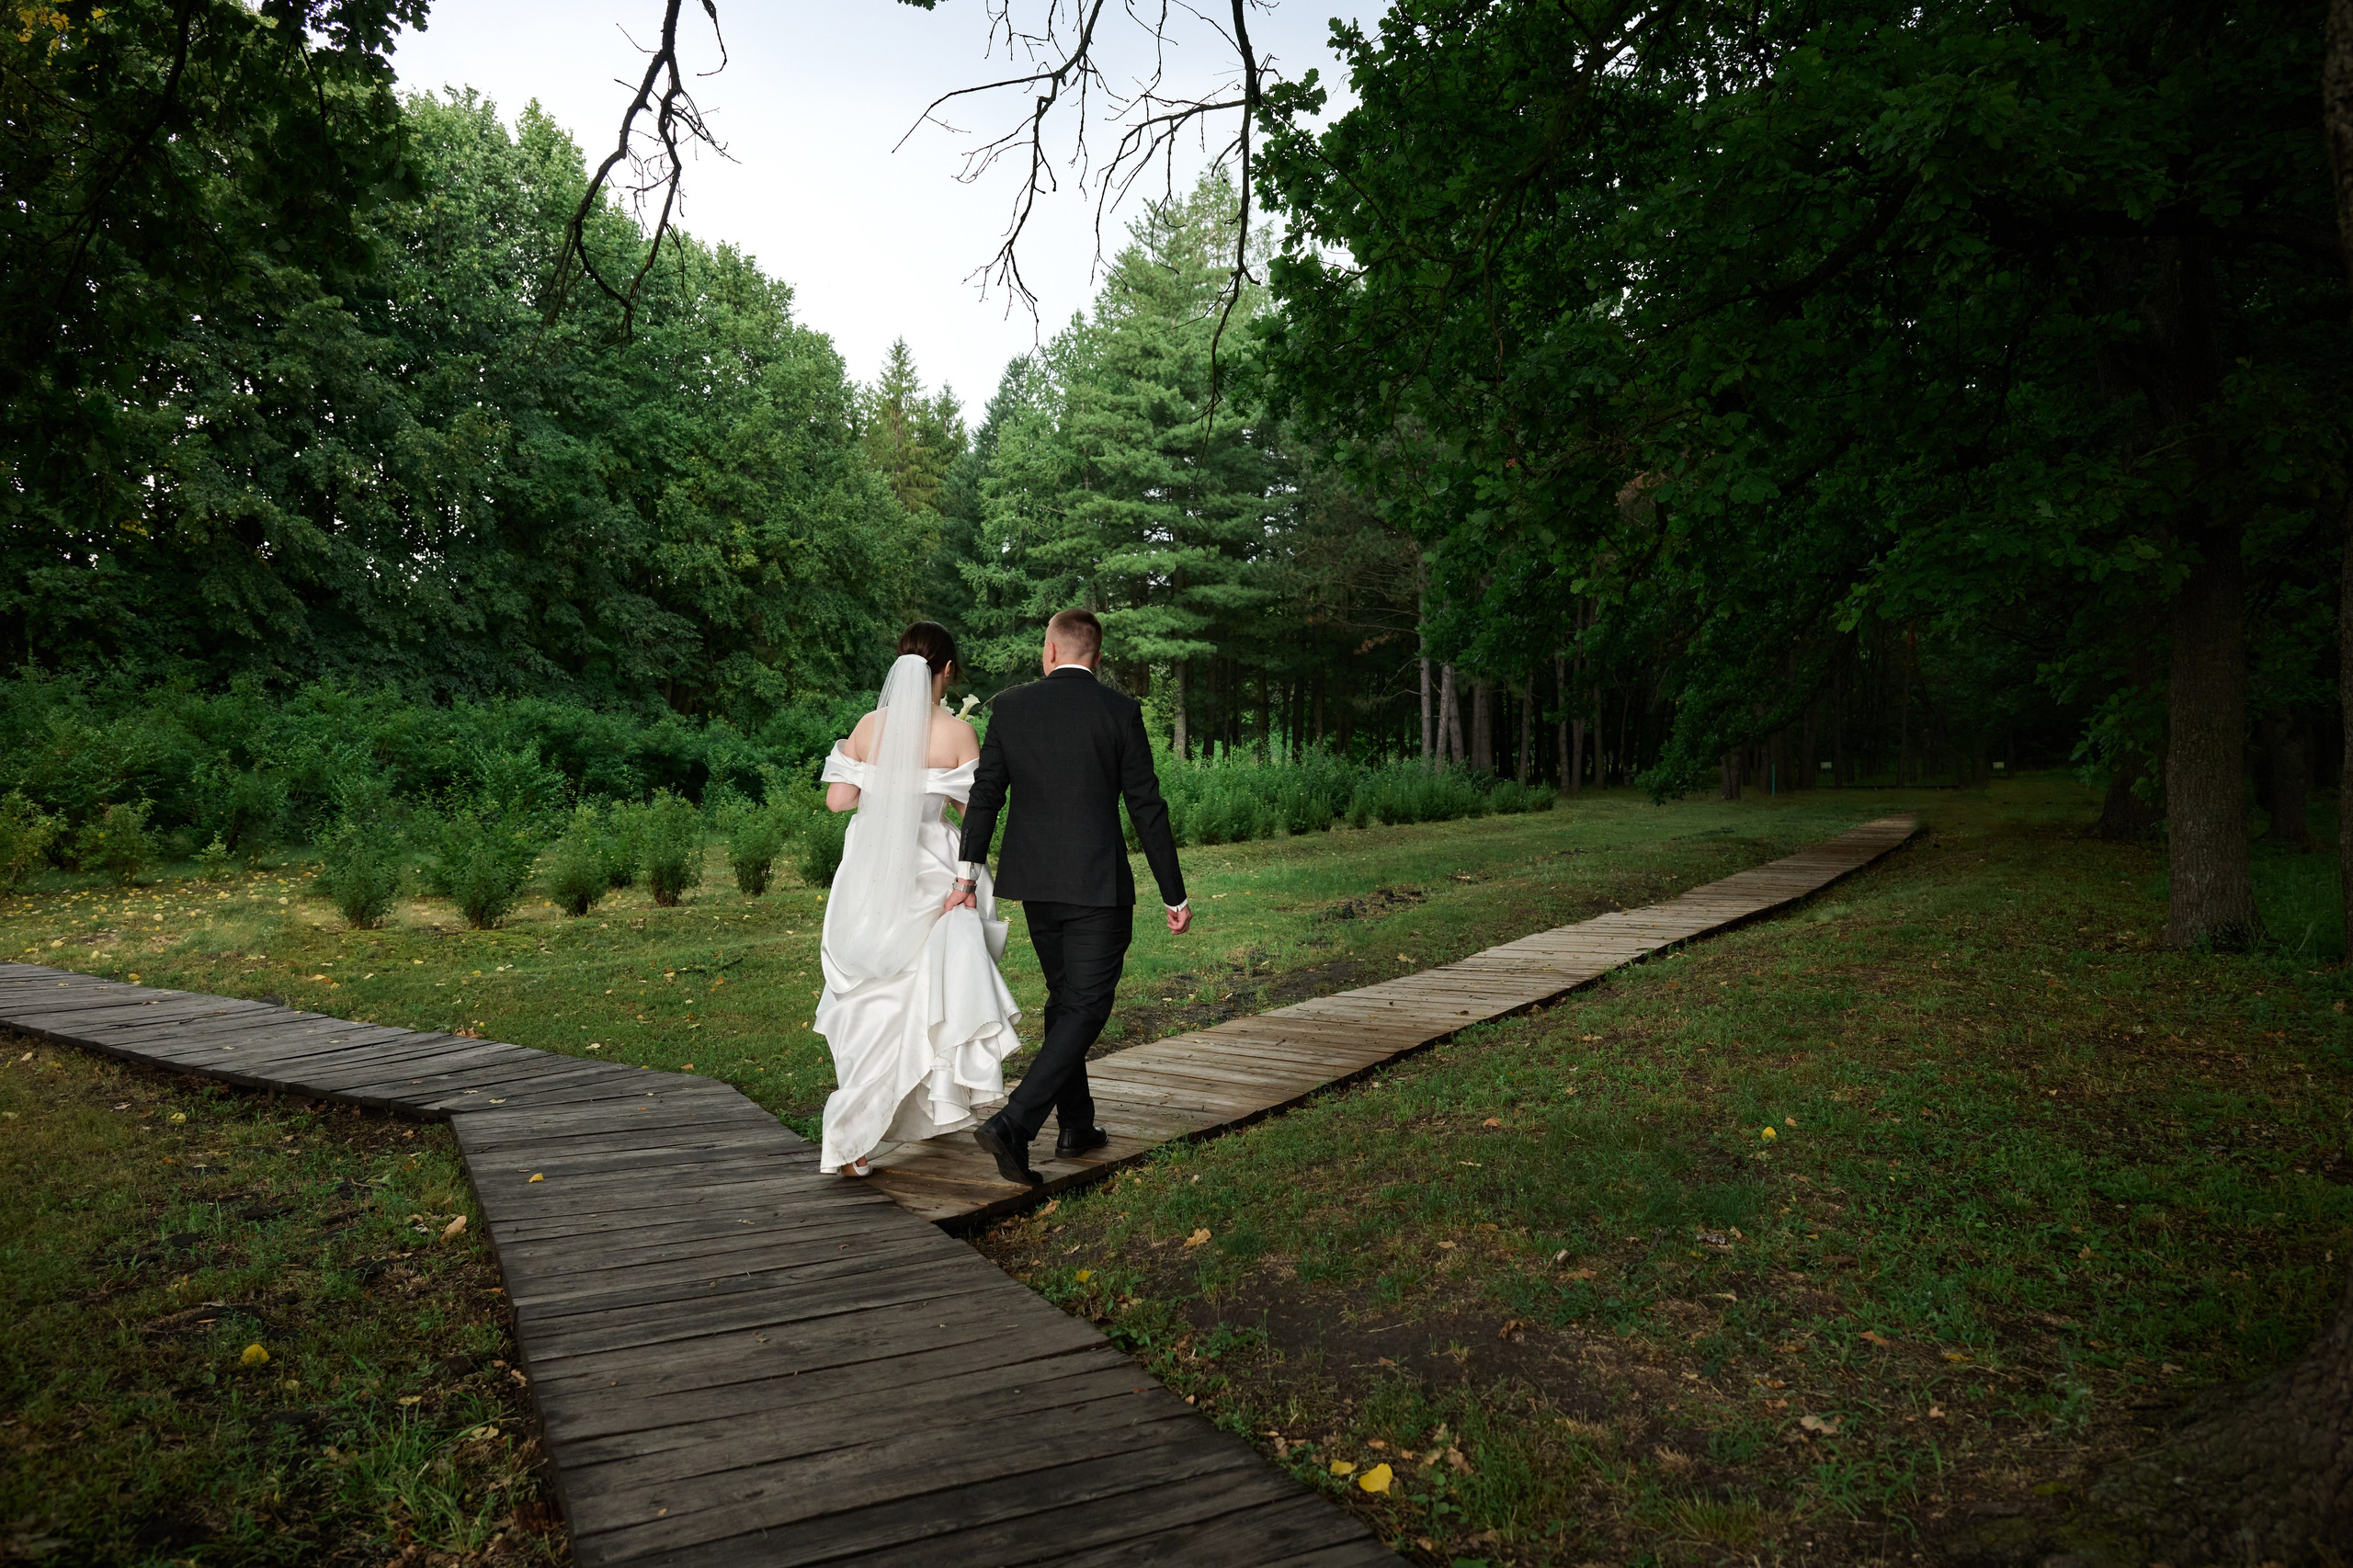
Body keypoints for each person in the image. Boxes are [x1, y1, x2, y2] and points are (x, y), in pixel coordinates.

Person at [946, 608, 1191, 1187]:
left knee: (1065, 1000)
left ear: (1051, 651)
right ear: (1096, 657)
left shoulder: (1011, 707)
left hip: (1035, 885)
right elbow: (1146, 808)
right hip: (1097, 886)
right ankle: (1015, 1123)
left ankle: (1076, 1125)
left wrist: (966, 876)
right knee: (1086, 1005)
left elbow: (985, 798)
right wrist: (1173, 893)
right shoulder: (1120, 712)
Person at [813, 622, 1022, 1176]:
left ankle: (858, 1131)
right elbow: (972, 815)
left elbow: (839, 801)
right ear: (948, 672)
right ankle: (913, 1109)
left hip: (869, 877)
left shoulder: (867, 726)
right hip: (932, 875)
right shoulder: (957, 733)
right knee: (925, 996)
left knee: (868, 1000)